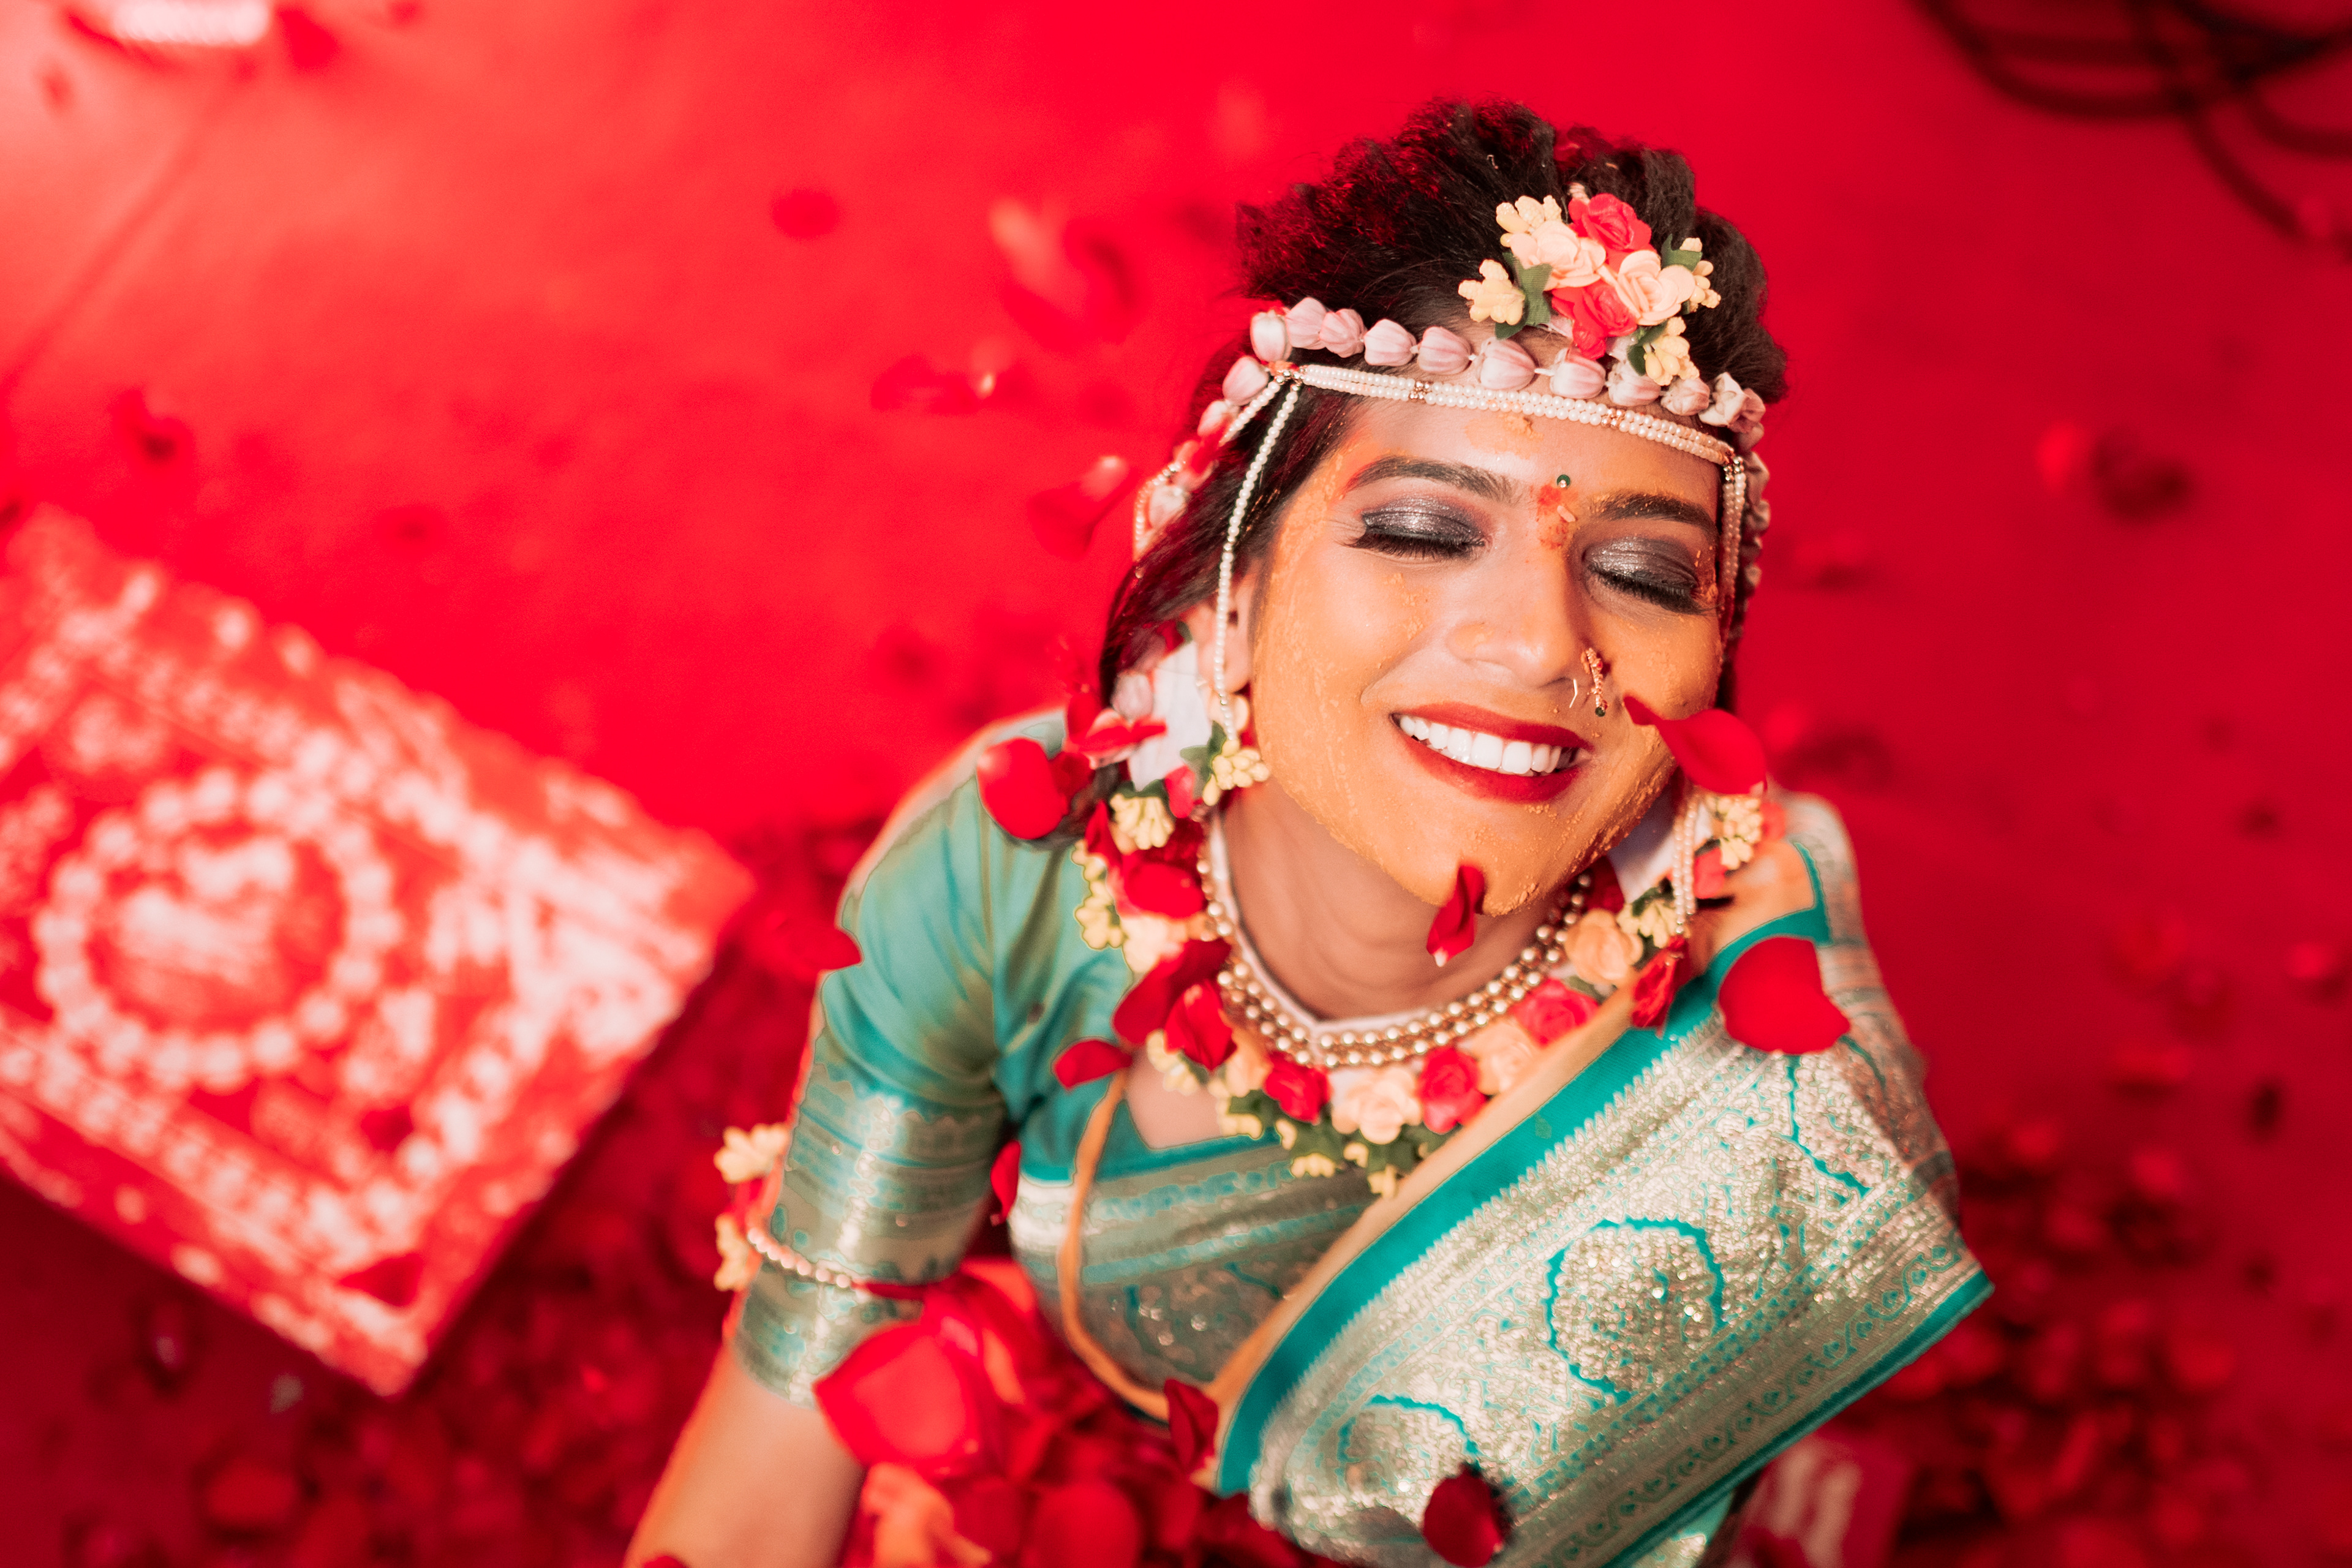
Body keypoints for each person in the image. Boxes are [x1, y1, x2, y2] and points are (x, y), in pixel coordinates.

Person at [628, 100, 1984, 1568]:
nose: (1542, 642)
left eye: (1648, 572)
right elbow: (796, 1396)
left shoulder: (1738, 1043)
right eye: (1423, 532)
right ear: (1229, 587)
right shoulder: (1009, 878)